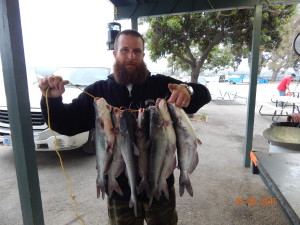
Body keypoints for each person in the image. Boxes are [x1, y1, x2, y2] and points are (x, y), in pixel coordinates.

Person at [38, 29, 211, 225]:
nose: (131, 56)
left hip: (161, 184)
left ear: (143, 55)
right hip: (120, 192)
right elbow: (66, 124)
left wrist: (187, 90)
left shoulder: (162, 85)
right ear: (115, 53)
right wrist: (51, 101)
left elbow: (204, 95)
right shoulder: (98, 92)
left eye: (137, 51)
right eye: (125, 50)